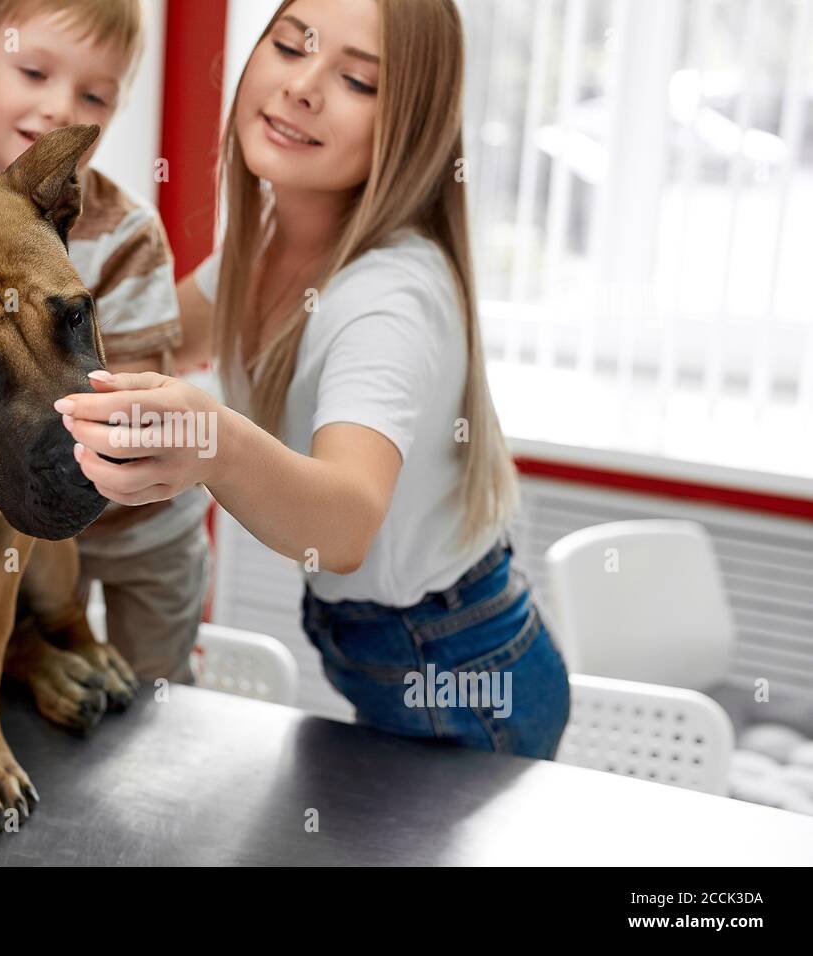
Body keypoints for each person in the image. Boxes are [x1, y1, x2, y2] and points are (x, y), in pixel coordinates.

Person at [56, 0, 571, 758]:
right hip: (386, 652)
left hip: (464, 675)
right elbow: (145, 339)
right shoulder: (262, 247)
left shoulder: (387, 296)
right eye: (292, 45)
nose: (303, 86)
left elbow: (344, 525)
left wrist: (209, 443)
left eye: (358, 80)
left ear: (414, 127)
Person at [0, 0, 210, 684]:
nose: (61, 109)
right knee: (55, 696)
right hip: (28, 526)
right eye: (33, 72)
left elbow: (139, 401)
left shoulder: (126, 234)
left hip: (145, 529)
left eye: (94, 95)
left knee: (155, 699)